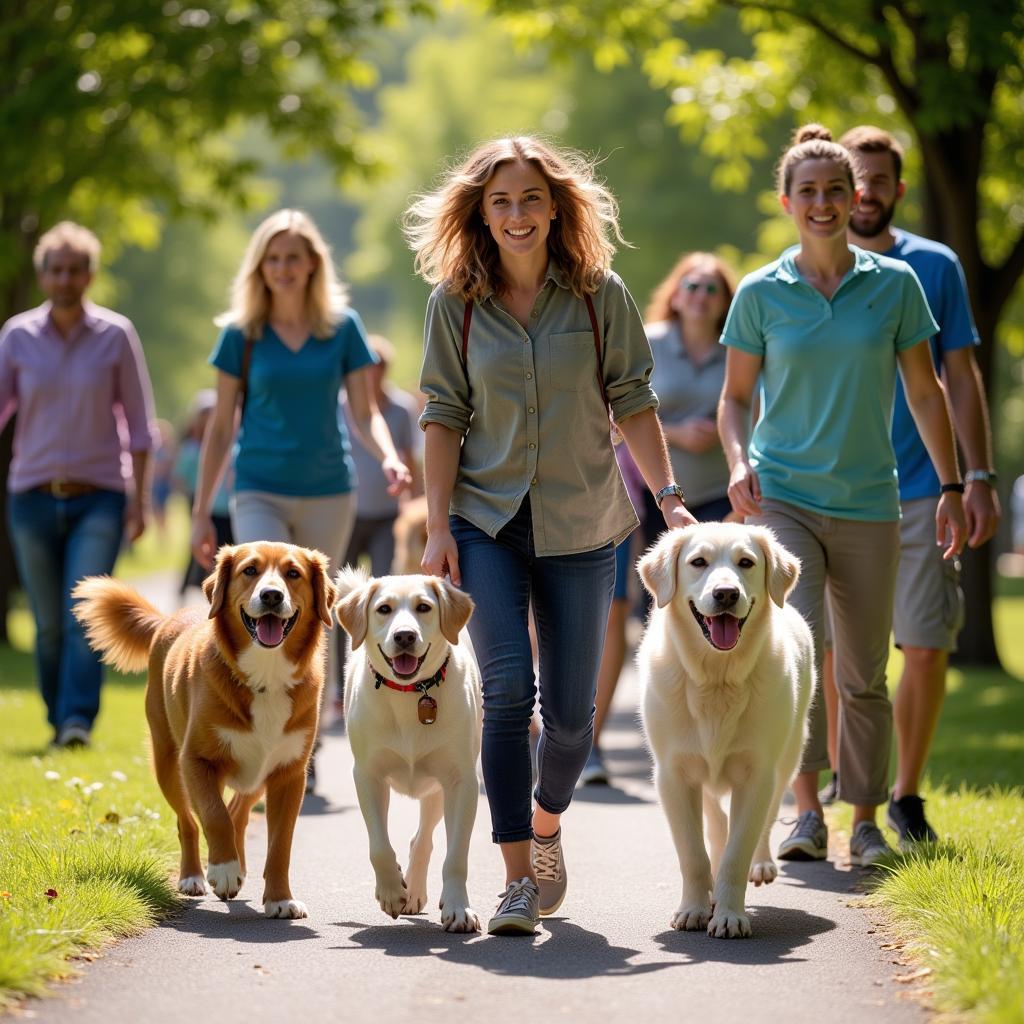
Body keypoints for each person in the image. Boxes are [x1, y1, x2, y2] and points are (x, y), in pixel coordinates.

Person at [406, 135, 696, 936]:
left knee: (572, 720)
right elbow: (441, 415)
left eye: (531, 197)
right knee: (506, 693)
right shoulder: (453, 304)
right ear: (480, 212)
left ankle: (544, 825)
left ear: (556, 205)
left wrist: (668, 499)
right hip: (485, 518)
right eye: (500, 201)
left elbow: (634, 398)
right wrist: (437, 529)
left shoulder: (601, 295)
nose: (517, 214)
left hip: (583, 521)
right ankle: (515, 883)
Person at [718, 125, 966, 868]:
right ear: (787, 201)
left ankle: (862, 818)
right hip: (783, 497)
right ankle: (802, 813)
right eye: (809, 192)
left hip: (869, 501)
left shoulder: (896, 285)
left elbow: (926, 392)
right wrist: (736, 459)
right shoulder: (762, 292)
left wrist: (953, 484)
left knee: (862, 672)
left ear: (855, 196)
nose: (823, 204)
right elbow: (734, 399)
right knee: (797, 657)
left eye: (836, 190)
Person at [815, 126, 1002, 848]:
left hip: (924, 483)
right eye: (850, 178)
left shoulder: (934, 266)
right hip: (836, 485)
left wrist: (976, 475)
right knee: (840, 651)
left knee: (924, 642)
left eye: (878, 179)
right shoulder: (812, 265)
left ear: (897, 188)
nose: (863, 191)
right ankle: (840, 783)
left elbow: (959, 376)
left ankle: (905, 795)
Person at [190, 209, 412, 788]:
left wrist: (388, 455)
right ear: (260, 266)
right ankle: (245, 730)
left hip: (327, 490)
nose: (284, 269)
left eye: (294, 257)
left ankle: (299, 746)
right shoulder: (241, 335)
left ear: (313, 263)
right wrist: (199, 511)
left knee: (309, 610)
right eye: (274, 258)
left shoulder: (342, 328)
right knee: (258, 601)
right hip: (258, 482)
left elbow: (366, 412)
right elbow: (218, 430)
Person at [582, 251, 739, 787]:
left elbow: (747, 410)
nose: (699, 294)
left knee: (704, 614)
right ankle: (592, 744)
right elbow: (616, 409)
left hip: (714, 499)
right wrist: (673, 432)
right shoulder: (647, 338)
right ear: (675, 292)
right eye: (690, 284)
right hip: (636, 493)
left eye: (711, 287)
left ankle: (700, 739)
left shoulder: (735, 352)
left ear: (724, 300)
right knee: (614, 607)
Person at [0, 221, 157, 748]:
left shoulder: (116, 335)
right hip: (31, 496)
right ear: (43, 275)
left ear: (89, 275)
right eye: (55, 269)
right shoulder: (17, 336)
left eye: (75, 269)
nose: (65, 278)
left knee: (83, 618)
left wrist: (140, 503)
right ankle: (56, 714)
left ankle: (76, 722)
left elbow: (140, 425)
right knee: (47, 624)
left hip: (99, 497)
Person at [336, 333, 420, 707]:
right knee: (348, 599)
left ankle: (384, 671)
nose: (373, 373)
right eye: (367, 366)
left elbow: (409, 457)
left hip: (388, 516)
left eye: (380, 367)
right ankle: (341, 683)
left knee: (387, 594)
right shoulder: (341, 406)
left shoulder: (401, 409)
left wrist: (416, 503)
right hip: (349, 515)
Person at [175, 389, 233, 596]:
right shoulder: (191, 450)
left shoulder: (233, 446)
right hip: (207, 507)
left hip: (230, 509)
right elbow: (181, 477)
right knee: (208, 553)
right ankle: (205, 588)